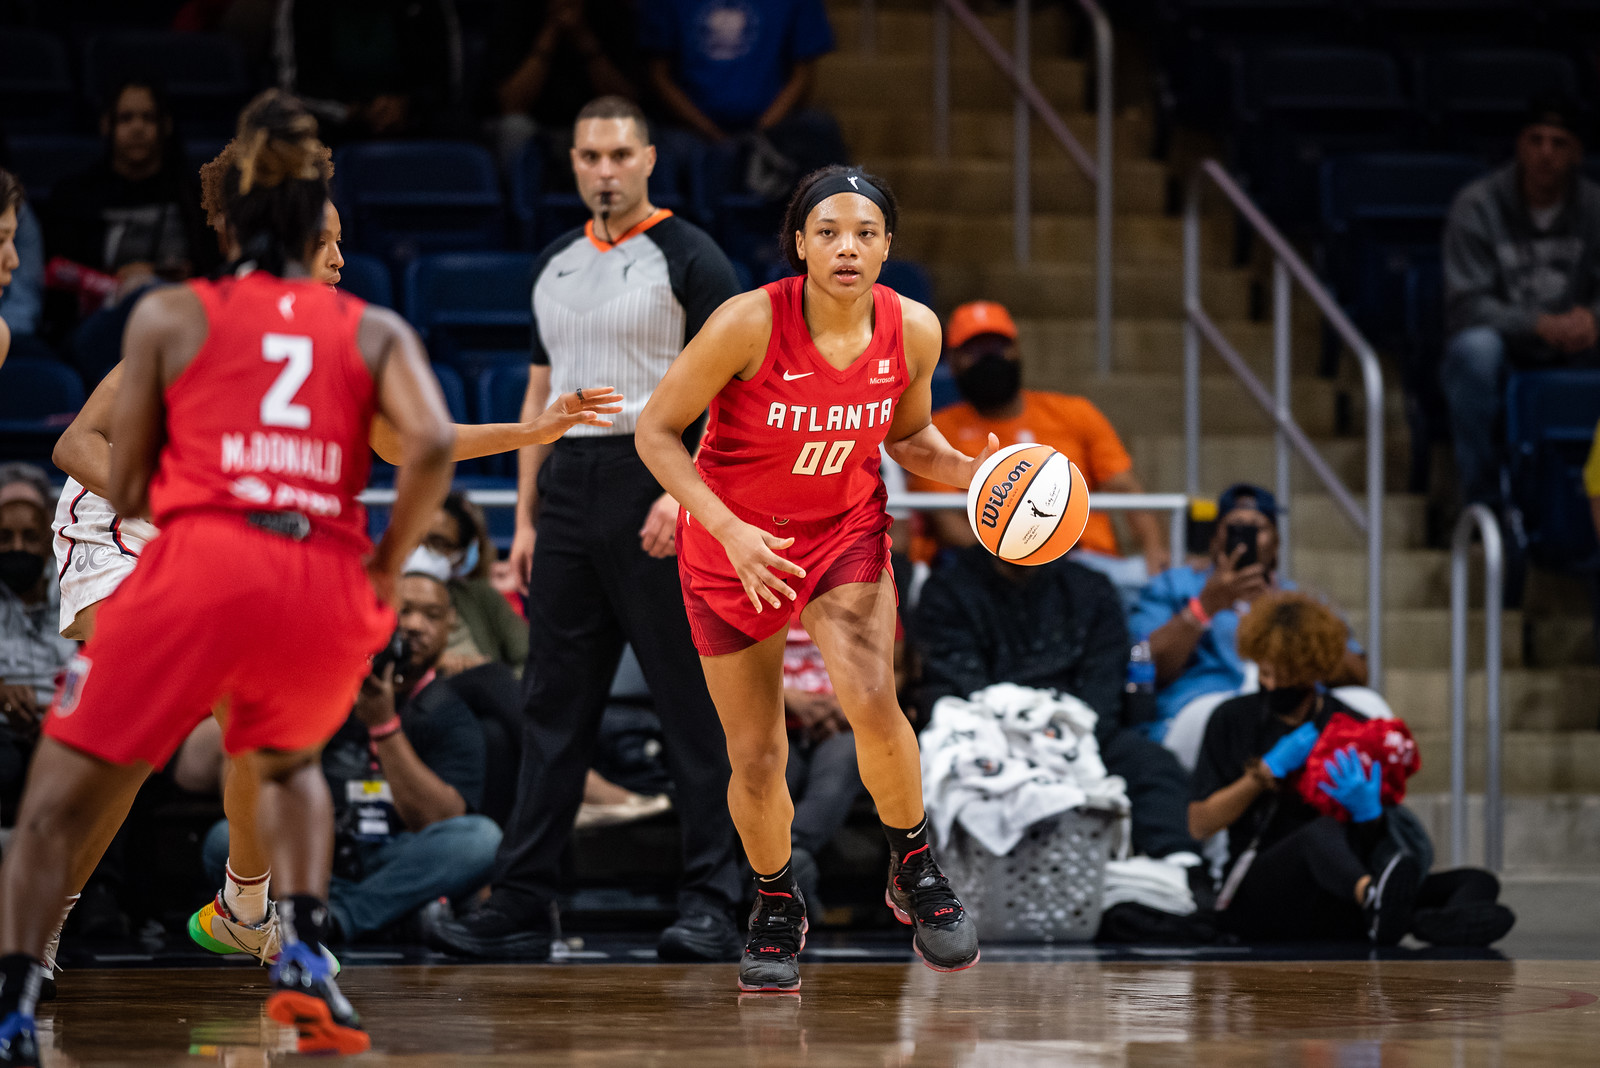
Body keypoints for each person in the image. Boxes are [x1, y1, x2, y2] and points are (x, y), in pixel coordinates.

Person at [44, 137, 619, 978]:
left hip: (213, 541)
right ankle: (40, 934)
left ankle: (245, 905)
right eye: (326, 244)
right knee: (141, 738)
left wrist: (531, 430)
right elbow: (76, 442)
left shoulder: (337, 340)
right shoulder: (199, 316)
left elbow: (407, 443)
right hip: (119, 524)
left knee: (258, 720)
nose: (344, 259)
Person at [0, 90, 459, 1060]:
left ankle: (18, 987)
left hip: (189, 558)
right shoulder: (366, 328)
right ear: (311, 228)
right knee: (285, 758)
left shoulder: (177, 312)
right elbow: (425, 447)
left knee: (68, 782)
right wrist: (380, 564)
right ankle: (291, 943)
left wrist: (176, 495)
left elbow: (118, 473)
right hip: (299, 575)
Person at [635, 164, 987, 993]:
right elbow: (656, 432)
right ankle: (774, 902)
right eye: (828, 232)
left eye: (865, 233)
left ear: (888, 246)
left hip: (843, 531)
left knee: (873, 699)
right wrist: (727, 528)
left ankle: (915, 868)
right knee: (756, 752)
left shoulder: (917, 330)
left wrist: (977, 473)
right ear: (799, 244)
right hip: (732, 543)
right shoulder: (747, 322)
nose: (847, 247)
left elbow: (909, 439)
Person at [424, 95, 749, 965]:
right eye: (588, 157)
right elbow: (538, 397)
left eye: (618, 155)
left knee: (691, 708)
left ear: (648, 159)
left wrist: (687, 492)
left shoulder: (690, 255)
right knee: (551, 708)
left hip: (660, 476)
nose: (604, 171)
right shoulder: (554, 262)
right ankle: (524, 901)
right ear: (572, 164)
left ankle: (718, 901)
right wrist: (527, 517)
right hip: (568, 488)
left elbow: (738, 392)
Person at [199, 553, 501, 944]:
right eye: (404, 611)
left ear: (450, 627)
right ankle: (384, 915)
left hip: (396, 856)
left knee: (480, 839)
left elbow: (442, 820)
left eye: (430, 615)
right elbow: (254, 780)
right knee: (225, 838)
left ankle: (334, 917)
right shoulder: (319, 683)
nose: (412, 626)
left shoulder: (448, 708)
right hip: (314, 851)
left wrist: (384, 724)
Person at [1190, 591, 1515, 946]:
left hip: (1337, 889)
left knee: (1478, 882)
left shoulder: (1352, 725)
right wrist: (1263, 773)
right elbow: (1200, 823)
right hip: (1260, 896)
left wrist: (1369, 812)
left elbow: (1370, 837)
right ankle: (1379, 903)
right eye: (1266, 673)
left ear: (1314, 670)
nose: (1272, 685)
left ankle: (1421, 922)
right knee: (1319, 832)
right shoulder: (1233, 719)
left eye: (1288, 675)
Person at [913, 545, 1201, 861]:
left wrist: (1069, 742)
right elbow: (958, 688)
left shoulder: (1089, 587)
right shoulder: (948, 589)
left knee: (1152, 766)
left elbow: (1104, 684)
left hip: (1083, 734)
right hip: (990, 741)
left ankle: (1176, 876)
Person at [906, 299, 1171, 601]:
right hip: (993, 571)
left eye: (998, 346)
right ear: (952, 360)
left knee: (1162, 591)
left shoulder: (1075, 412)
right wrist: (1023, 559)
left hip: (1091, 563)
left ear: (1017, 350)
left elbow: (1126, 489)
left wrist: (1155, 550)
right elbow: (948, 524)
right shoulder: (934, 431)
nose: (989, 358)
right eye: (975, 350)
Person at [1129, 482, 1371, 767]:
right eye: (1234, 528)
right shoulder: (1175, 585)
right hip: (1202, 707)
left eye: (1258, 528)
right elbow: (1141, 664)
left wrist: (1290, 618)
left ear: (1277, 543)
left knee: (1367, 706)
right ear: (1215, 538)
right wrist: (1203, 608)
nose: (1247, 539)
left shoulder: (1300, 599)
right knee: (1229, 716)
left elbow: (1357, 674)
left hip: (1292, 706)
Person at [1441, 91, 1600, 515]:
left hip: (1578, 345)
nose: (1546, 153)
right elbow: (1466, 304)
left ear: (1577, 154)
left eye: (1559, 143)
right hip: (1506, 345)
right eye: (1536, 139)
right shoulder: (1477, 205)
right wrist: (1539, 323)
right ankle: (1483, 500)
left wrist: (1594, 319)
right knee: (1474, 351)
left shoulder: (1595, 208)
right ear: (1519, 145)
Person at [641, 0, 849, 193]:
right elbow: (659, 76)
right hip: (688, 130)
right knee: (655, 148)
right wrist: (712, 134)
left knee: (818, 128)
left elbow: (802, 75)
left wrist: (758, 133)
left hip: (774, 129)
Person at [46, 79, 218, 287]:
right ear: (106, 125)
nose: (138, 128)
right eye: (126, 118)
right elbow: (59, 276)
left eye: (149, 118)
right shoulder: (73, 197)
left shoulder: (196, 196)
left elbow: (214, 273)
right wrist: (117, 280)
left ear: (166, 125)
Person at [275, 0, 470, 140]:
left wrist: (407, 104)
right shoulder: (301, 6)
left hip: (414, 119)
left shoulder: (429, 6)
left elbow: (447, 82)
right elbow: (294, 89)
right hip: (335, 123)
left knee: (456, 127)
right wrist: (355, 112)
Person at [483, 0, 640, 167]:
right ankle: (520, 191)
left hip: (593, 129)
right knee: (515, 128)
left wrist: (583, 37)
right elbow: (512, 104)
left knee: (631, 125)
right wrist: (550, 32)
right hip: (535, 128)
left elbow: (624, 102)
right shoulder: (514, 12)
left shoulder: (612, 11)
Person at [0, 466, 73, 825]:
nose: (17, 548)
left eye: (29, 537)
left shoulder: (74, 592)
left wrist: (65, 709)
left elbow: (95, 664)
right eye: (5, 537)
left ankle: (103, 883)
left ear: (47, 542)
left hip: (65, 724)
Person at [780, 621, 866, 911]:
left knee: (843, 764)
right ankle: (786, 876)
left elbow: (897, 666)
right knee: (769, 773)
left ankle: (787, 859)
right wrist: (785, 698)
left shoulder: (861, 581)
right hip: (772, 719)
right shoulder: (751, 585)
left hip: (844, 722)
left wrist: (848, 700)